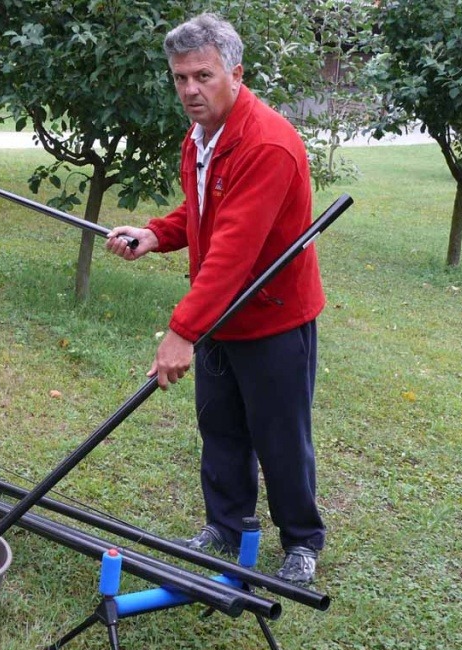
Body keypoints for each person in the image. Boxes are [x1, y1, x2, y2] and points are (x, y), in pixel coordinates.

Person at [105, 13, 326, 585]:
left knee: (280, 437)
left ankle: (301, 541)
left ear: (235, 73)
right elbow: (205, 214)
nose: (189, 90)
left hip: (272, 319)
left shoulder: (268, 145)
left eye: (202, 75)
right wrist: (155, 233)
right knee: (221, 428)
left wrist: (182, 331)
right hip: (220, 317)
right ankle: (226, 526)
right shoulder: (202, 137)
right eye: (180, 78)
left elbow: (233, 251)